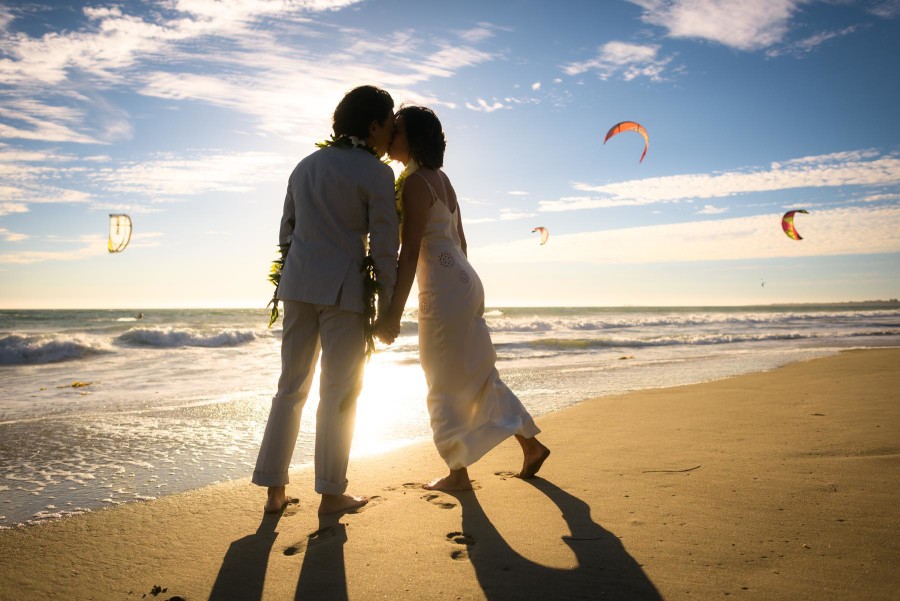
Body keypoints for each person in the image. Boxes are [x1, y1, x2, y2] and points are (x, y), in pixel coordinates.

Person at [375, 106, 549, 491]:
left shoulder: (415, 183)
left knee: (441, 379)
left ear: (414, 137)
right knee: (479, 374)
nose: (391, 137)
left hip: (442, 285)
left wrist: (391, 312)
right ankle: (530, 445)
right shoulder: (442, 179)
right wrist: (462, 286)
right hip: (464, 280)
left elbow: (410, 249)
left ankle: (457, 473)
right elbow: (462, 241)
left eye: (397, 130)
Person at [253, 86, 399, 514]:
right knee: (339, 391)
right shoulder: (375, 173)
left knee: (290, 387)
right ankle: (331, 493)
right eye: (388, 120)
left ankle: (274, 492)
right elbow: (384, 249)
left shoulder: (305, 166)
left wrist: (297, 267)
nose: (392, 128)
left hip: (297, 286)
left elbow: (286, 233)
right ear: (373, 125)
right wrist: (389, 306)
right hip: (343, 292)